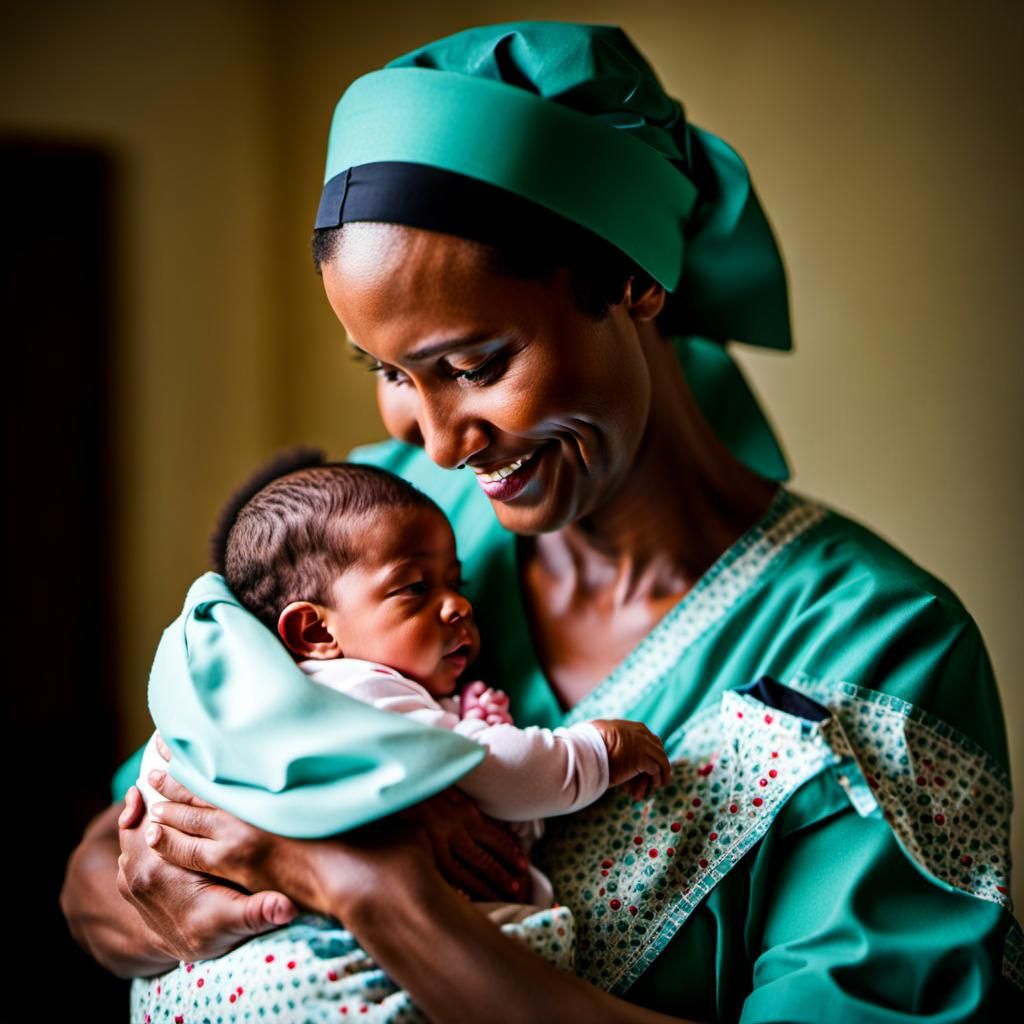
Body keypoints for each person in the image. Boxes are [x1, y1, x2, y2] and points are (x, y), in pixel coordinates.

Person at [62, 20, 1021, 1022]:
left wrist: (372, 891)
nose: (439, 443)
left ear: (636, 280)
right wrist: (166, 904)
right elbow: (103, 861)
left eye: (474, 365)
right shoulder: (374, 524)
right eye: (390, 372)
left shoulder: (879, 645)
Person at [128, 453, 670, 1020]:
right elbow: (492, 768)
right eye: (414, 588)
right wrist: (596, 752)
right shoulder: (355, 689)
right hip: (315, 966)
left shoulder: (252, 700)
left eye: (456, 584)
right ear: (314, 631)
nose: (459, 605)